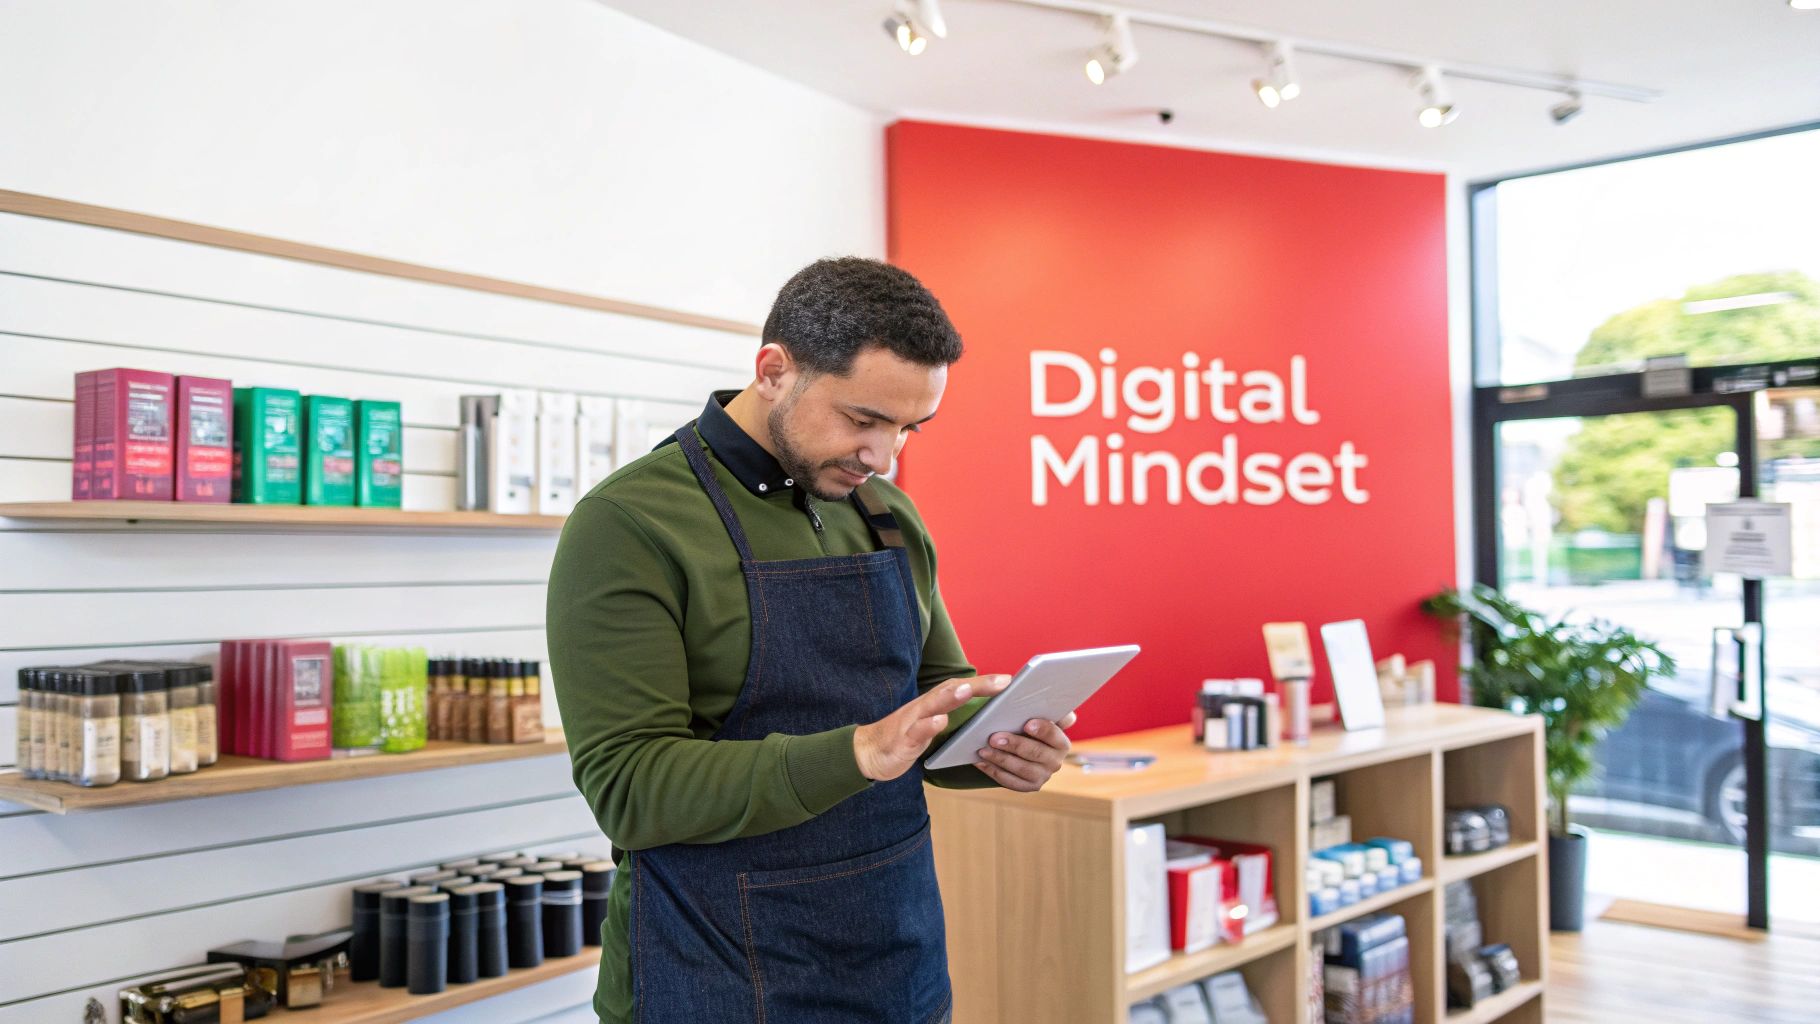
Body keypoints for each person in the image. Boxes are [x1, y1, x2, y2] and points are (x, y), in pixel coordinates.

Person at [547, 257, 1076, 1023]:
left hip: (897, 962)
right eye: (862, 419)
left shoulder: (889, 514)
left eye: (907, 428)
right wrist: (857, 752)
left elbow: (934, 700)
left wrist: (994, 746)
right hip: (712, 973)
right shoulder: (631, 525)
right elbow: (631, 789)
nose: (883, 456)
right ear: (773, 370)